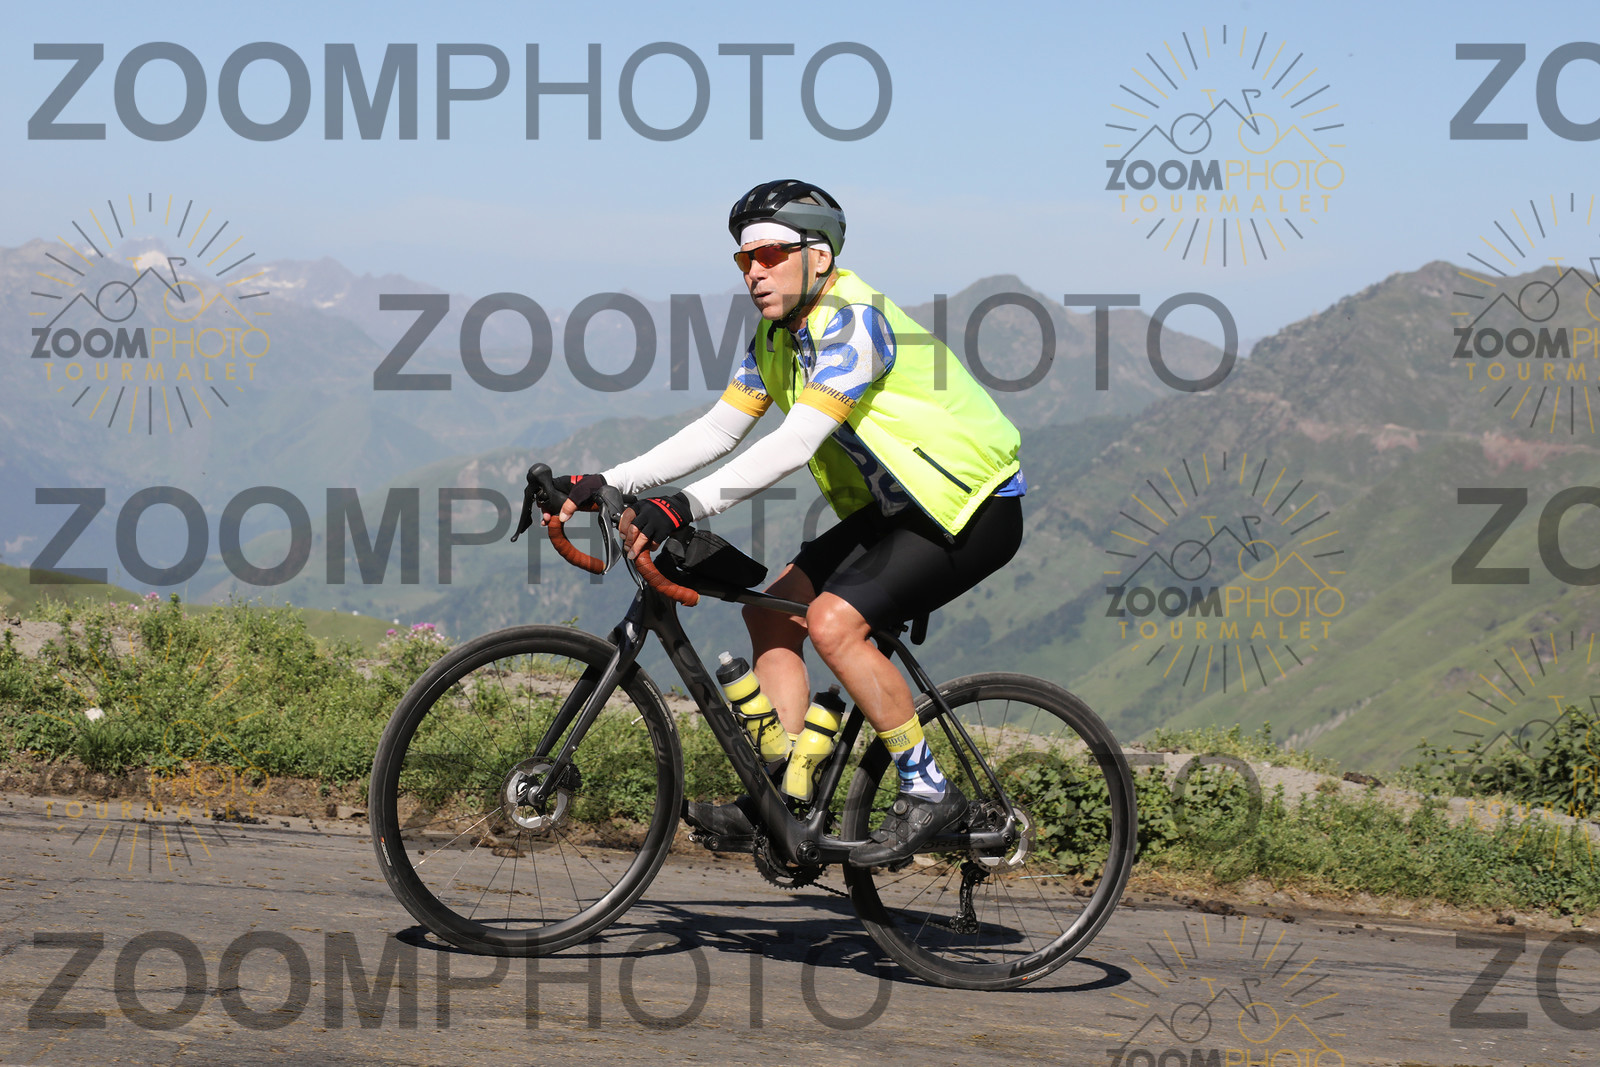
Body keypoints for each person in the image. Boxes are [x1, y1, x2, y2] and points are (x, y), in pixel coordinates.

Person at [543, 179, 1025, 867]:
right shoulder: (776, 338)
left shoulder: (854, 324)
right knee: (771, 616)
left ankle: (928, 787)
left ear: (819, 256)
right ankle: (786, 798)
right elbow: (720, 429)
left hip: (970, 509)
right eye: (745, 260)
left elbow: (796, 441)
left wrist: (683, 505)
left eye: (769, 254)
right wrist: (610, 481)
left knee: (831, 623)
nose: (754, 273)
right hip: (893, 512)